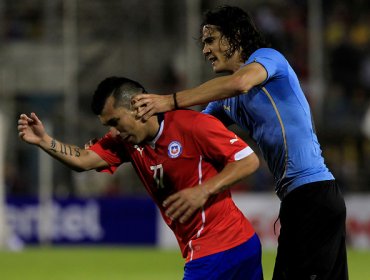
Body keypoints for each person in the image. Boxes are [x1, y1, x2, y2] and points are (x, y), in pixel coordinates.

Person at [132, 5, 348, 280]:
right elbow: (193, 130)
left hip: (313, 195)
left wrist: (169, 100)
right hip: (301, 199)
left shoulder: (268, 59)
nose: (205, 50)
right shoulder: (226, 99)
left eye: (210, 39)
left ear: (234, 35)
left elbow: (242, 82)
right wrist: (136, 133)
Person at [18, 76, 263, 280]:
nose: (113, 132)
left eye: (115, 121)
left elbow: (248, 160)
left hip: (219, 248)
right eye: (107, 126)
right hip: (223, 247)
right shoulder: (124, 143)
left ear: (137, 106)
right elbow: (83, 159)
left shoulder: (193, 125)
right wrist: (43, 140)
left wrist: (204, 190)